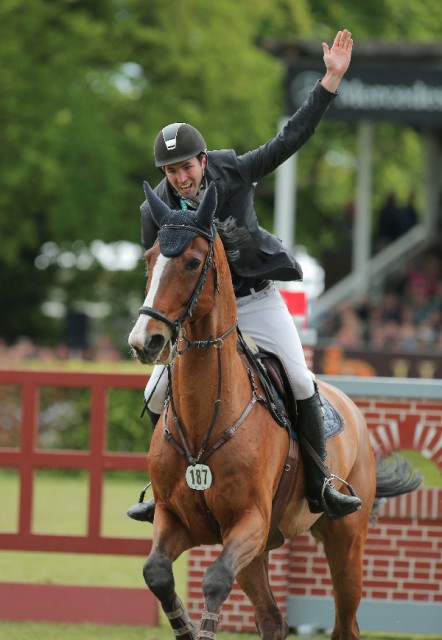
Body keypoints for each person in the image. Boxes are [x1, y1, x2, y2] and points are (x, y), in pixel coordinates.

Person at [128, 29, 361, 523]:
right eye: (170, 172)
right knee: (153, 392)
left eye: (185, 167)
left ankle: (321, 484)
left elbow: (288, 140)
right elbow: (158, 276)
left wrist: (329, 81)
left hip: (253, 299)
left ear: (203, 161)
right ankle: (161, 489)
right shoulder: (158, 211)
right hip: (194, 316)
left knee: (299, 378)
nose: (180, 179)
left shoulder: (234, 172)